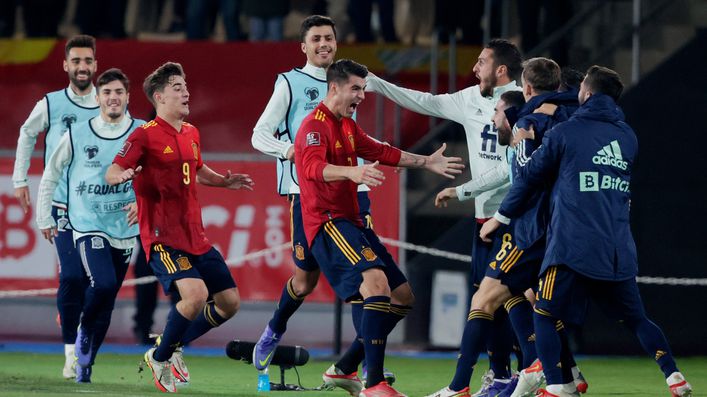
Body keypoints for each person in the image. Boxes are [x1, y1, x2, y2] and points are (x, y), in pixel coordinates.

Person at [480, 66, 693, 397]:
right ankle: (674, 376)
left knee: (545, 312)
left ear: (587, 94)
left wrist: (502, 214)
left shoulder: (566, 131)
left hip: (571, 246)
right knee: (637, 318)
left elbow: (531, 176)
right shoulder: (628, 136)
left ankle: (558, 386)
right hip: (616, 246)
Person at [250, 16, 411, 392]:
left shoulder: (350, 78)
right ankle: (274, 328)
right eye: (316, 38)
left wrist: (410, 157)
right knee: (305, 281)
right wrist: (290, 150)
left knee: (369, 279)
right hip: (307, 194)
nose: (324, 44)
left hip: (353, 193)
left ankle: (359, 367)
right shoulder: (290, 82)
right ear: (303, 46)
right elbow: (259, 134)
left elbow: (389, 102)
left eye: (329, 38)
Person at [296, 58, 463, 396]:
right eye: (356, 88)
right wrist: (352, 173)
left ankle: (343, 368)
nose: (362, 95)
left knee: (402, 297)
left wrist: (425, 161)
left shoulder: (347, 125)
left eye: (364, 88)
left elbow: (381, 151)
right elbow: (312, 169)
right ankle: (374, 383)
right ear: (334, 88)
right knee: (377, 284)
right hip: (327, 222)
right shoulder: (314, 126)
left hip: (353, 222)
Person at [366, 39, 523, 396]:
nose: (474, 67)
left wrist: (462, 190)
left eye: (481, 62)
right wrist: (376, 83)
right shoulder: (470, 98)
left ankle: (536, 373)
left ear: (501, 70)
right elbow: (425, 101)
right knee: (494, 301)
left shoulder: (523, 102)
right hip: (485, 217)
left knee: (512, 299)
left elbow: (509, 168)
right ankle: (504, 376)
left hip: (513, 215)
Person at [105, 62, 254, 393]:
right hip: (162, 239)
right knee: (196, 295)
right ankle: (160, 356)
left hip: (195, 237)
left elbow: (198, 170)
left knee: (229, 303)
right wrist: (122, 176)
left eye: (185, 85)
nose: (186, 91)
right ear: (159, 96)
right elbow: (113, 169)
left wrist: (224, 182)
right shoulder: (144, 134)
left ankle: (172, 343)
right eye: (177, 87)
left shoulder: (191, 132)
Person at [35, 68, 144, 383]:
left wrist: (141, 202)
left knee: (108, 299)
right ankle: (80, 333)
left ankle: (87, 362)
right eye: (107, 92)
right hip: (86, 222)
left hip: (123, 226)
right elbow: (51, 174)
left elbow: (155, 177)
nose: (113, 98)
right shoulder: (77, 134)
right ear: (97, 98)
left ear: (127, 97)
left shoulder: (141, 132)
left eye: (119, 92)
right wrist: (45, 216)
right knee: (104, 283)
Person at [12, 34, 99, 379]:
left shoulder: (107, 103)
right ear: (65, 65)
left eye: (87, 61)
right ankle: (70, 352)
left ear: (95, 65)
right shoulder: (51, 103)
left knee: (97, 283)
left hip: (96, 208)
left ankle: (78, 323)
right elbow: (26, 133)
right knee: (73, 275)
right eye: (76, 61)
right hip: (62, 205)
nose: (82, 67)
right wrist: (20, 179)